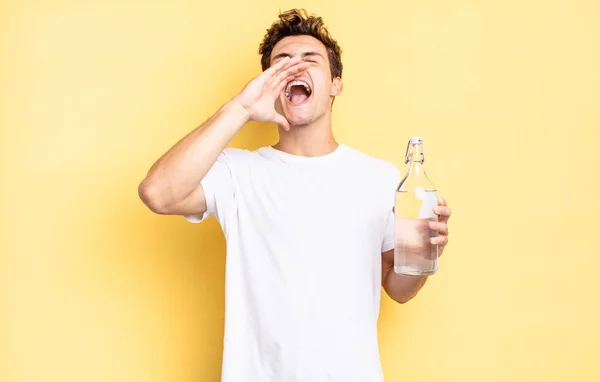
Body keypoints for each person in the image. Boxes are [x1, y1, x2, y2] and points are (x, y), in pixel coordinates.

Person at [138, 8, 452, 382]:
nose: (294, 67)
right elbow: (158, 193)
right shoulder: (239, 173)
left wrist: (426, 253)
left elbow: (399, 288)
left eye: (310, 59)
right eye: (281, 61)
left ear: (336, 83)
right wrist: (240, 108)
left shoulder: (380, 178)